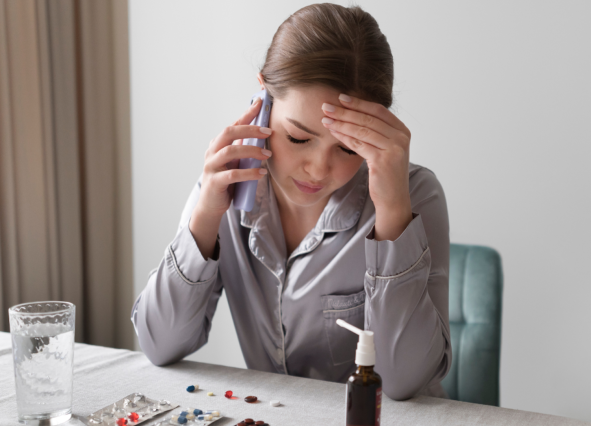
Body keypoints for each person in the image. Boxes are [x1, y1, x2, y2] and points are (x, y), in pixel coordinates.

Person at [131, 3, 451, 400]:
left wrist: (392, 215)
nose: (318, 170)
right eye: (298, 138)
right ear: (263, 97)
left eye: (348, 148)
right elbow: (159, 344)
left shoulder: (416, 193)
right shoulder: (228, 184)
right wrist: (205, 219)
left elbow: (402, 383)